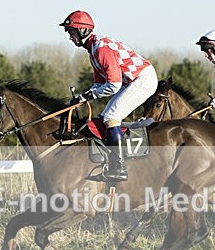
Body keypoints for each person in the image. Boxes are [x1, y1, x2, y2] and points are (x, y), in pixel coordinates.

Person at [60, 10, 158, 181]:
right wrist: (82, 97)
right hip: (131, 81)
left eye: (71, 32)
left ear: (83, 30)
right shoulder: (93, 49)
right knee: (105, 116)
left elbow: (113, 85)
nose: (70, 37)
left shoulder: (101, 49)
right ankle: (111, 159)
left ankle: (118, 167)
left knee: (111, 117)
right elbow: (99, 83)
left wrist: (87, 97)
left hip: (142, 79)